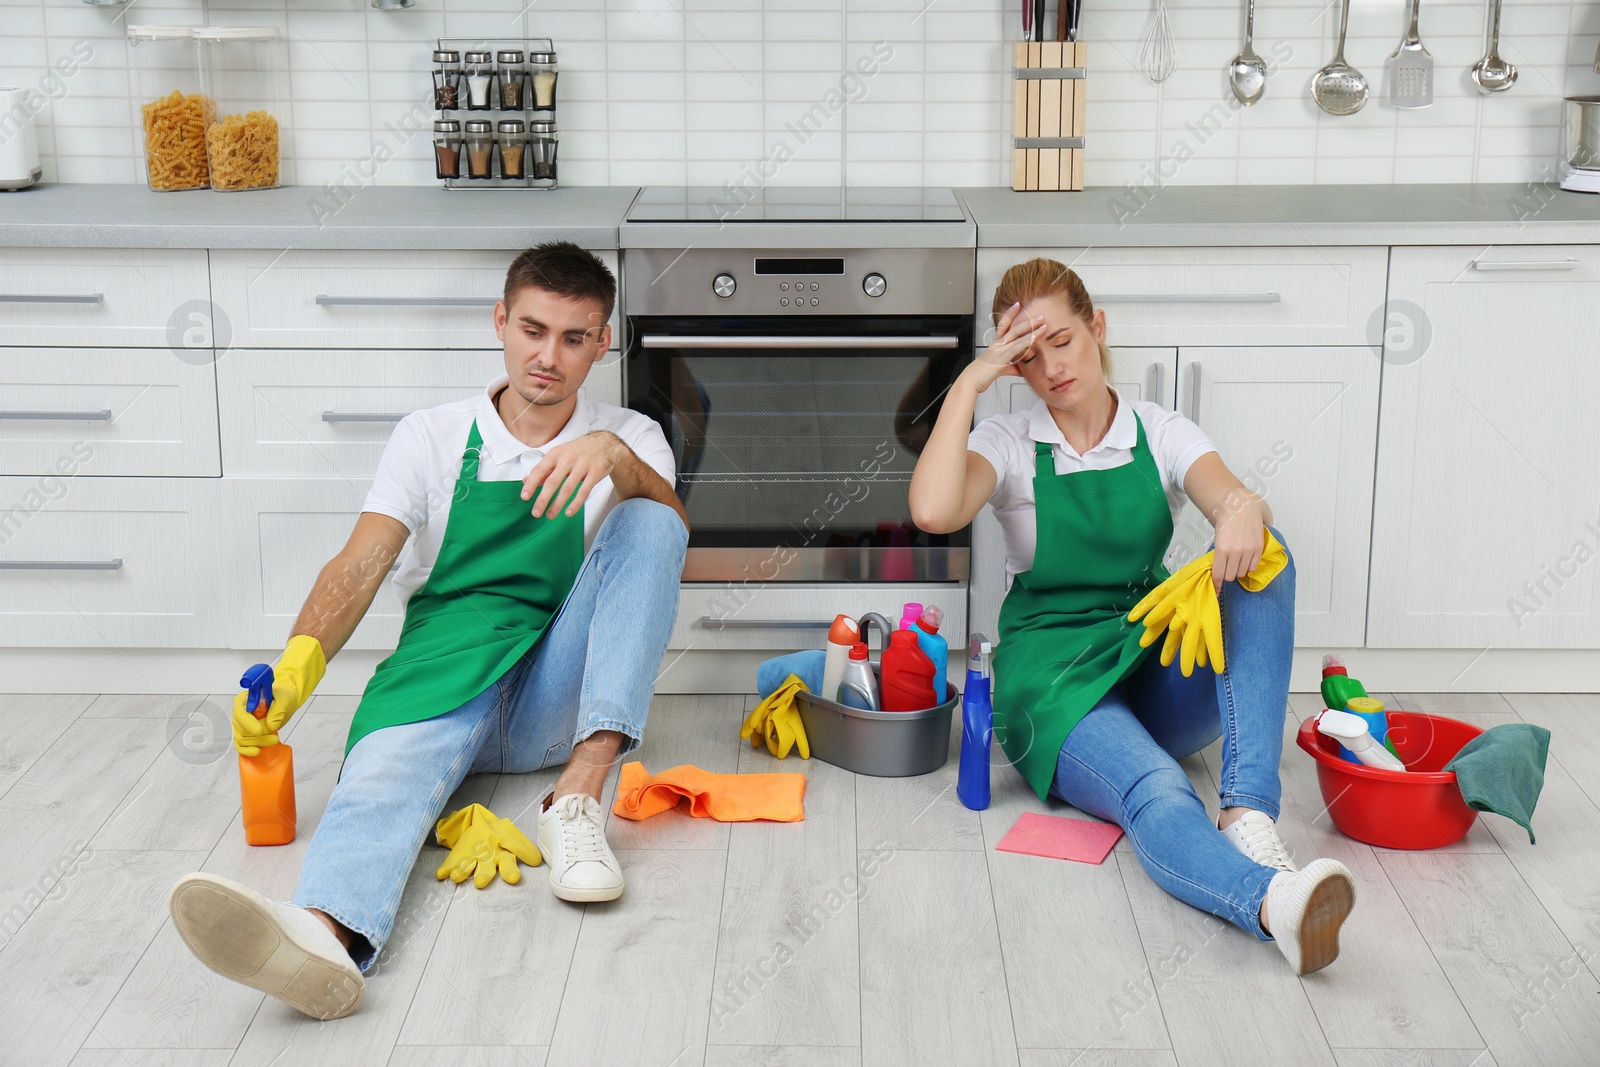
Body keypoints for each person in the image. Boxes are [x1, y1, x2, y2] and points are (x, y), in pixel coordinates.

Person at [168, 241, 689, 1018]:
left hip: (559, 694)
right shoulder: (432, 436)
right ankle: (322, 939)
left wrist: (616, 458)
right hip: (444, 672)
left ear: (601, 343)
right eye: (532, 329)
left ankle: (575, 801)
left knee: (651, 516)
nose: (548, 357)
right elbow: (361, 561)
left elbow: (666, 541)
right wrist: (299, 666)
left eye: (573, 338)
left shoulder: (628, 438)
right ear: (500, 322)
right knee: (379, 784)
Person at [908, 258, 1355, 975]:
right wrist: (970, 379)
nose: (1051, 367)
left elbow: (1235, 500)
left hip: (1147, 652)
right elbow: (932, 509)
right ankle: (1276, 903)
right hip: (1052, 682)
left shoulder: (1159, 429)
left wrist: (1243, 512)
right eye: (1026, 357)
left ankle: (1248, 813)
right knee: (1157, 788)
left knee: (1269, 554)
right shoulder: (1011, 443)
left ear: (1098, 327)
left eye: (1062, 340)